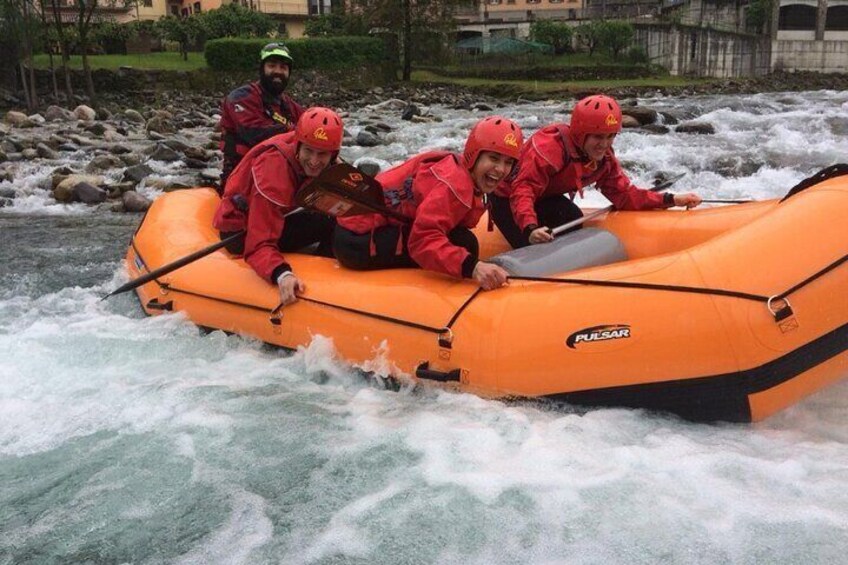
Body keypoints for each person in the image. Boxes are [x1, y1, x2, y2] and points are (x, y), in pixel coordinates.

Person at [333, 116, 524, 291]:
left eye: (508, 162)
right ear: (474, 155)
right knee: (464, 245)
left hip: (360, 230)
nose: (500, 169)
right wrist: (473, 267)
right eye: (493, 158)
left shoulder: (461, 172)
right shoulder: (451, 185)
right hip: (354, 241)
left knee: (464, 240)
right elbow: (421, 241)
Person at [490, 94, 702, 249]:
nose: (604, 144)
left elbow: (625, 196)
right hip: (506, 199)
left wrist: (671, 199)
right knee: (531, 244)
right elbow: (523, 190)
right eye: (598, 137)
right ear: (581, 133)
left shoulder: (603, 160)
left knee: (572, 218)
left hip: (543, 198)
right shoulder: (549, 148)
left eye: (610, 136)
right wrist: (530, 228)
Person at [213, 107, 342, 306]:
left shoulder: (320, 155)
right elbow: (258, 244)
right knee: (329, 222)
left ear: (333, 155)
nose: (315, 161)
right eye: (309, 151)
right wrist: (282, 274)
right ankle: (321, 283)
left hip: (274, 216)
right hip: (240, 232)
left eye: (322, 154)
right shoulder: (273, 169)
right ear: (298, 145)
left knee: (339, 215)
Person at [218, 42, 305, 192]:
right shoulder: (241, 97)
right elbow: (255, 135)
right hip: (242, 177)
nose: (278, 71)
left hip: (279, 174)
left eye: (283, 68)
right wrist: (297, 133)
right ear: (262, 68)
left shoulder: (288, 104)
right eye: (272, 66)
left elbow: (312, 122)